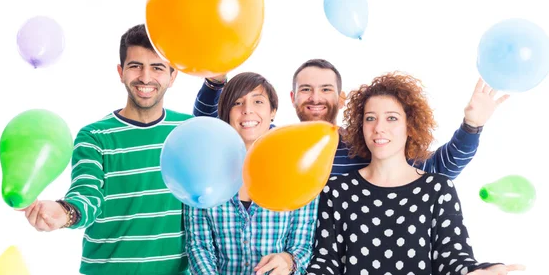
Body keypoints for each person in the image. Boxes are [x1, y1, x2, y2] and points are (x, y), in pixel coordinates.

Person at [277, 72, 525, 275]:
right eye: (370, 118)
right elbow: (327, 260)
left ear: (410, 125)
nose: (379, 127)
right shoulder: (337, 191)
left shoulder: (438, 190)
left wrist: (477, 272)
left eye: (391, 118)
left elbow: (453, 258)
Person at [19, 24, 194, 275]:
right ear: (120, 71)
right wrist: (65, 212)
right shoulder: (94, 136)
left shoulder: (189, 131)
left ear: (173, 75)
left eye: (157, 67)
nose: (145, 77)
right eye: (135, 66)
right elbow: (87, 194)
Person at [193, 58, 509, 178]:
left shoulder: (367, 145)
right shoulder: (273, 142)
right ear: (292, 99)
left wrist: (472, 125)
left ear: (341, 99)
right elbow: (208, 128)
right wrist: (215, 81)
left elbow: (440, 169)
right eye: (306, 89)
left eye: (326, 89)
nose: (315, 98)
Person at [184, 72, 318, 275]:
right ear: (225, 113)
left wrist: (288, 261)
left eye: (258, 101)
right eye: (237, 103)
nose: (248, 111)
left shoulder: (298, 172)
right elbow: (198, 244)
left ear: (273, 111)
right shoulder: (202, 172)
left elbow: (304, 245)